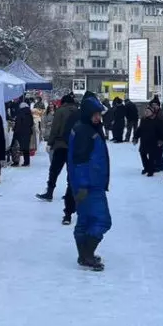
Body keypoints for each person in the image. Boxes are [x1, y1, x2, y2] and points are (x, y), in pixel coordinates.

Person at [69, 95, 111, 271]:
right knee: (103, 220)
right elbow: (80, 162)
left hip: (84, 184)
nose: (98, 118)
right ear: (87, 114)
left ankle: (83, 255)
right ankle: (87, 255)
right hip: (90, 185)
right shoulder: (86, 132)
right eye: (96, 115)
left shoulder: (82, 128)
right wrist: (85, 184)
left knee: (84, 220)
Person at [37, 93, 77, 208]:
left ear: (63, 102)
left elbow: (55, 129)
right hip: (73, 146)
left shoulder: (60, 111)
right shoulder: (78, 112)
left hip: (60, 145)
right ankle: (69, 194)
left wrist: (50, 143)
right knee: (71, 170)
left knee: (54, 170)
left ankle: (49, 192)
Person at [134, 101, 163, 176]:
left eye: (148, 111)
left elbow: (162, 131)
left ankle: (150, 171)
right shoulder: (143, 120)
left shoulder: (158, 121)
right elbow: (139, 129)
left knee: (152, 157)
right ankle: (146, 168)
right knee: (143, 154)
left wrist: (161, 139)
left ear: (152, 112)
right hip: (144, 140)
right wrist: (135, 137)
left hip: (153, 141)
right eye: (146, 111)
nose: (146, 113)